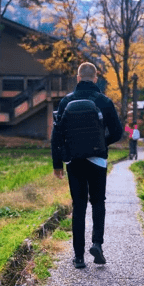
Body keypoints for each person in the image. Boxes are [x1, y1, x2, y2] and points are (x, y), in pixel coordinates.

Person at [51, 62, 123, 269]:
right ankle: (97, 243)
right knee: (98, 202)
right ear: (96, 77)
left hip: (74, 161)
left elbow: (56, 136)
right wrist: (100, 144)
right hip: (98, 160)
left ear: (77, 77)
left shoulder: (66, 101)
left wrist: (57, 164)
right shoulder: (104, 101)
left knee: (79, 206)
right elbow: (117, 132)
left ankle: (79, 257)